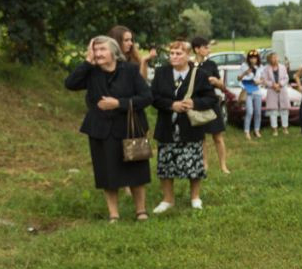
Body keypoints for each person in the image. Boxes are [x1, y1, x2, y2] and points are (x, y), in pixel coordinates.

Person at [64, 36, 152, 222]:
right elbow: (70, 84)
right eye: (95, 50)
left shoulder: (130, 70)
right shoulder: (91, 72)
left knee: (136, 171)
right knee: (107, 172)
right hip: (101, 129)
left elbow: (146, 97)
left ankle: (141, 211)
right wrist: (87, 62)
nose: (98, 53)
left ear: (114, 51)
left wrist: (119, 103)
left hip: (130, 127)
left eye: (102, 49)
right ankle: (114, 214)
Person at [150, 41, 217, 212]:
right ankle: (167, 199)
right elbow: (153, 98)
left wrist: (194, 102)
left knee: (194, 164)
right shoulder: (161, 73)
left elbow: (211, 98)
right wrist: (171, 105)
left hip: (191, 128)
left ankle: (195, 197)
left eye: (178, 53)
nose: (174, 56)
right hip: (167, 126)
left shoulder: (199, 74)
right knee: (165, 165)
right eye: (171, 53)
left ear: (188, 55)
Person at [191, 36, 230, 173]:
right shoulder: (190, 65)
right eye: (206, 47)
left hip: (212, 103)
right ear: (197, 49)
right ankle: (204, 165)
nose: (209, 49)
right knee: (201, 138)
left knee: (218, 137)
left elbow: (222, 86)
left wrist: (216, 82)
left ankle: (223, 166)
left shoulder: (211, 65)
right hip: (197, 104)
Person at [260, 51, 290, 136]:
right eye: (273, 58)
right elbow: (264, 80)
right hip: (272, 90)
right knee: (273, 111)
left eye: (276, 57)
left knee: (284, 110)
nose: (275, 59)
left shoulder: (283, 67)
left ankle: (285, 128)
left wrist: (280, 84)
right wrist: (273, 85)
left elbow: (286, 78)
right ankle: (274, 129)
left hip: (282, 90)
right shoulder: (266, 69)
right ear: (269, 59)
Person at [239, 50, 264, 139]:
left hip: (257, 91)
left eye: (255, 58)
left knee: (258, 112)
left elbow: (263, 78)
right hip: (248, 91)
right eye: (251, 58)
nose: (253, 60)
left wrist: (259, 82)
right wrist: (245, 73)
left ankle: (257, 130)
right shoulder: (244, 66)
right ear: (248, 59)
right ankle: (247, 131)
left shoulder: (260, 67)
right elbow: (239, 78)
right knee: (249, 112)